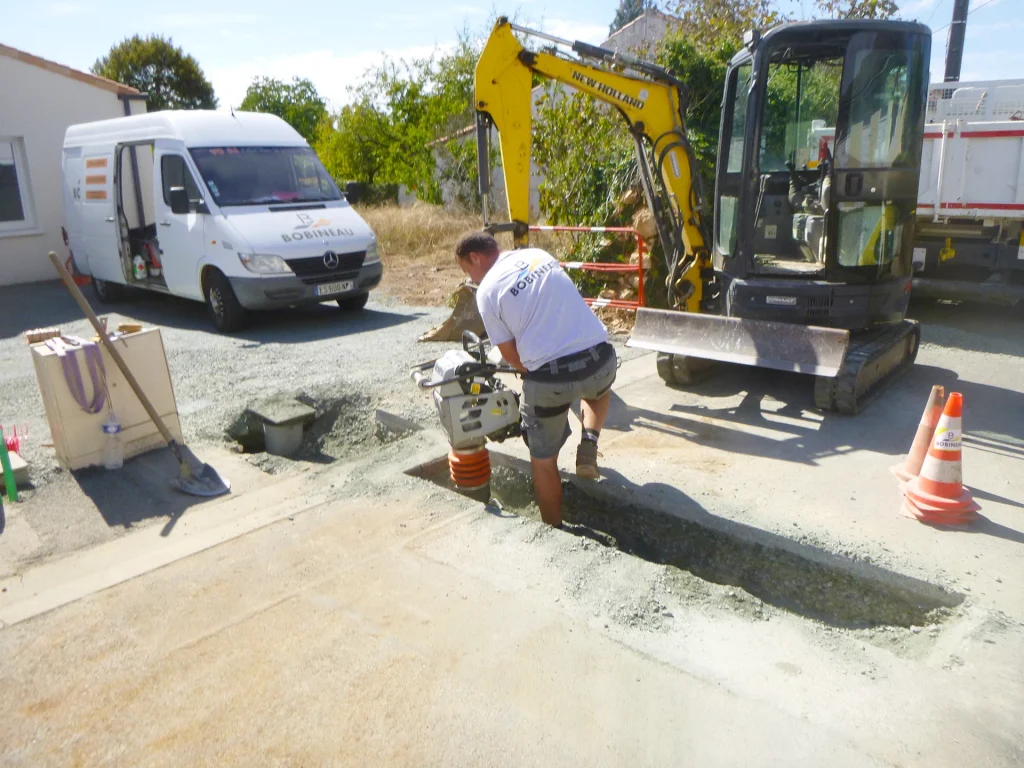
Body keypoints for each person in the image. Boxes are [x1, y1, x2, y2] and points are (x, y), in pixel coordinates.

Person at [455, 231, 617, 528]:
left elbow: (510, 354)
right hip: (600, 360)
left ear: (476, 258)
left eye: (468, 270)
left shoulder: (487, 291)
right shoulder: (538, 255)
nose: (472, 278)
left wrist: (527, 368)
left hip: (550, 381)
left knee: (543, 462)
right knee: (598, 389)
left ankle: (553, 531)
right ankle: (589, 445)